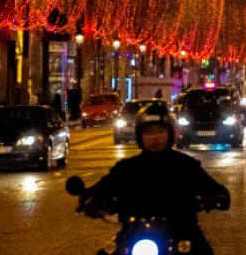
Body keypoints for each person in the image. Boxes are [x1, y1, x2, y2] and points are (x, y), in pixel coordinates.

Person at [79, 104, 229, 254]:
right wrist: (90, 200)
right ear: (140, 135)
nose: (155, 137)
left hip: (180, 232)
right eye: (149, 132)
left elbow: (215, 190)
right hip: (133, 234)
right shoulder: (126, 168)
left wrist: (215, 197)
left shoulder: (185, 166)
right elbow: (103, 188)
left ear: (170, 134)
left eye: (160, 131)